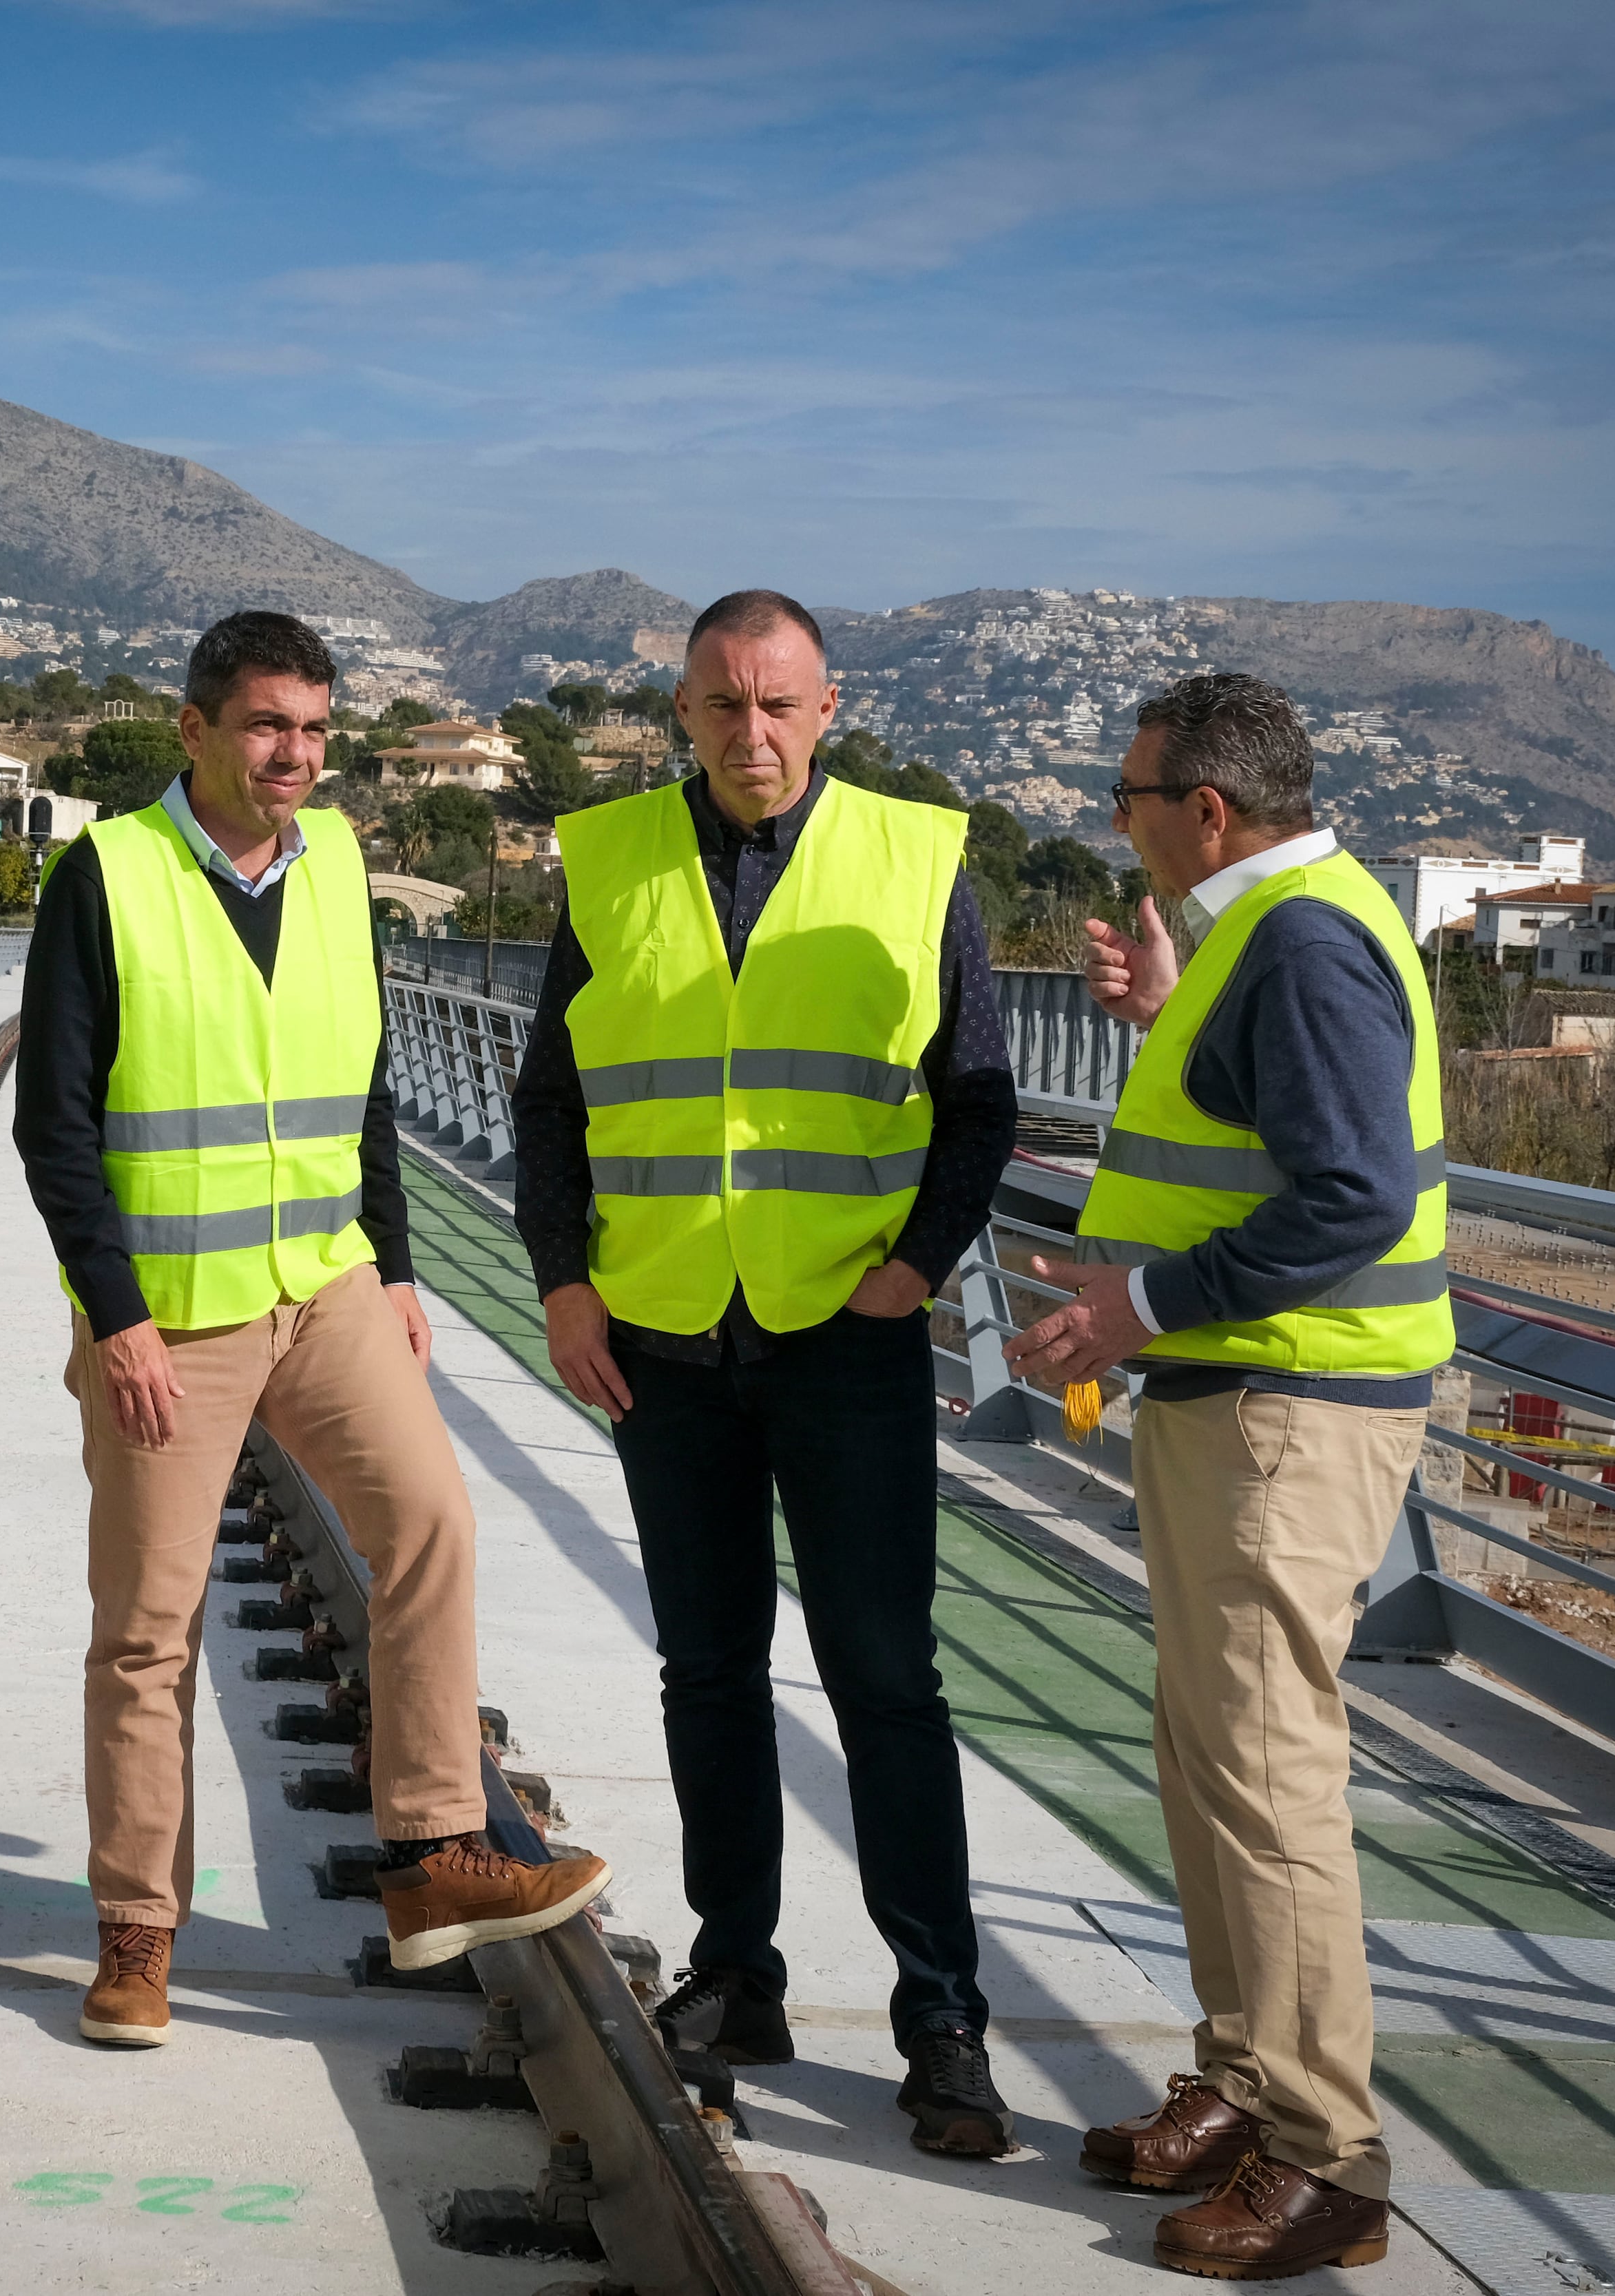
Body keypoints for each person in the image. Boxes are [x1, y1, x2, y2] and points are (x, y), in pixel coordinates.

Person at [17, 609, 607, 2050]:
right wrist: (118, 1317)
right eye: (271, 725)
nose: (297, 755)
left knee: (430, 1527)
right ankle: (137, 1930)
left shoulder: (336, 861)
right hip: (176, 1313)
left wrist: (399, 1265)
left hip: (329, 1284)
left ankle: (426, 1856)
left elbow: (360, 1090)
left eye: (317, 730)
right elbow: (56, 1123)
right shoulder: (109, 876)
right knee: (147, 1635)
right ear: (198, 730)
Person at [509, 588, 1021, 2155]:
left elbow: (980, 1097)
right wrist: (563, 1283)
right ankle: (737, 1974)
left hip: (844, 1344)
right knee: (709, 1673)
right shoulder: (605, 861)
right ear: (679, 709)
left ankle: (941, 2019)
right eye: (721, 705)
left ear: (828, 705)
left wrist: (917, 1266)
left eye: (779, 704)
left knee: (885, 1680)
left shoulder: (914, 857)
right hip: (663, 1341)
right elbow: (549, 1105)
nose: (751, 733)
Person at [1006, 671, 1444, 2280]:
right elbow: (1248, 1136)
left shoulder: (1308, 944)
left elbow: (1344, 1193)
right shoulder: (1267, 931)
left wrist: (1130, 1305)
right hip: (1241, 1399)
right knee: (1208, 1757)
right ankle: (1248, 2082)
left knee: (1264, 1784)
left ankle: (1327, 2160)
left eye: (1127, 795)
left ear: (1206, 807)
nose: (1115, 818)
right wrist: (1158, 1013)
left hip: (1287, 1408)